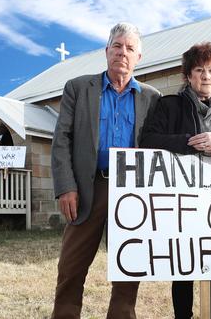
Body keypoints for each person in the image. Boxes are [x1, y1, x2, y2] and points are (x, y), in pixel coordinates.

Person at [50, 22, 161, 319]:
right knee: (71, 266)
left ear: (139, 56)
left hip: (131, 192)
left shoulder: (153, 98)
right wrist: (65, 186)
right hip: (88, 188)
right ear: (106, 51)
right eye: (117, 46)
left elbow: (161, 144)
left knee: (129, 265)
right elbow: (62, 139)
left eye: (129, 48)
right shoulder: (78, 88)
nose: (122, 53)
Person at [140, 42, 211, 319]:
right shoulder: (168, 106)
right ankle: (183, 315)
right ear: (188, 76)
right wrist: (190, 143)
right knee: (184, 260)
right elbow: (148, 140)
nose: (206, 76)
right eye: (199, 70)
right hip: (182, 198)